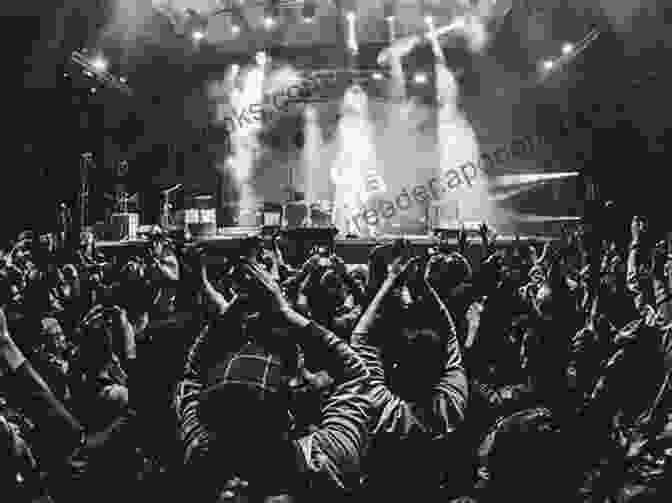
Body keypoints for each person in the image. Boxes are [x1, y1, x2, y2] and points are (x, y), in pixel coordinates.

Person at [174, 260, 373, 501]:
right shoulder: (324, 460)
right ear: (289, 417)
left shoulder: (198, 454)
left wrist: (239, 303)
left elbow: (193, 372)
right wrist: (284, 312)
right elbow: (356, 372)